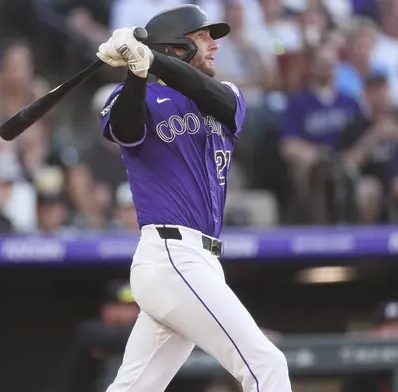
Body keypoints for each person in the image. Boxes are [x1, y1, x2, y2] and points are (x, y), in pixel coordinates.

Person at [95, 5, 291, 392]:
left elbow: (211, 96)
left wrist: (150, 59)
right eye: (202, 37)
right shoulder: (134, 97)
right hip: (170, 255)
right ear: (176, 47)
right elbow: (125, 128)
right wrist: (136, 70)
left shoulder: (226, 94)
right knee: (266, 363)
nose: (214, 44)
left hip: (199, 262)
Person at [56, 280, 139, 392]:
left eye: (132, 306)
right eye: (120, 306)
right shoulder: (91, 332)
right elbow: (106, 337)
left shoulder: (150, 333)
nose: (129, 311)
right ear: (105, 309)